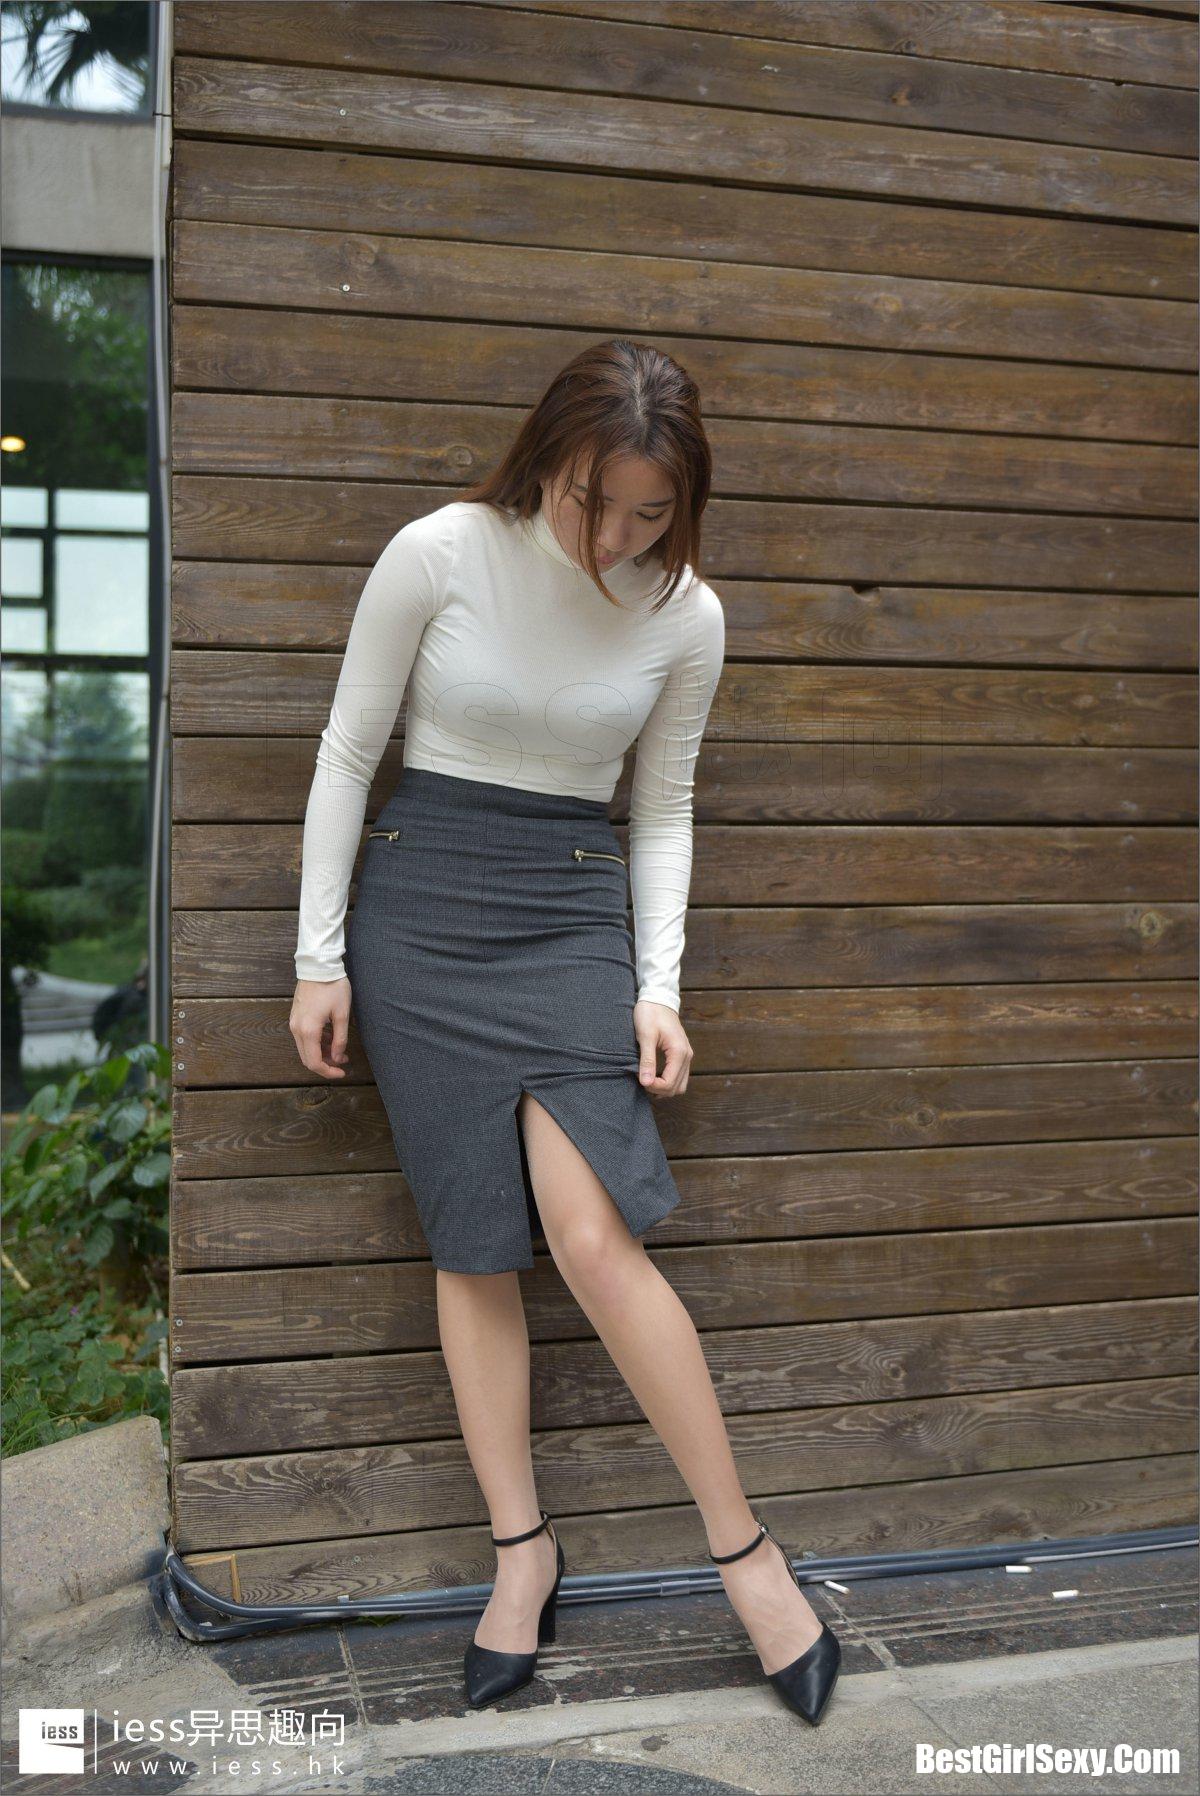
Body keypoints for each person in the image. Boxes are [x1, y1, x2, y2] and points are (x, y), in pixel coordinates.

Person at [289, 338, 840, 1724]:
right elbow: (349, 752)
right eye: (597, 502)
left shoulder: (688, 615)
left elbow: (664, 807)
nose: (617, 538)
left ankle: (749, 1558)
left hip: (570, 907)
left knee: (592, 1238)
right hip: (422, 909)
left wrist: (659, 988)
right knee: (473, 1242)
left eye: (652, 513)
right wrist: (318, 958)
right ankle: (521, 1554)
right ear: (548, 458)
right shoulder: (441, 552)